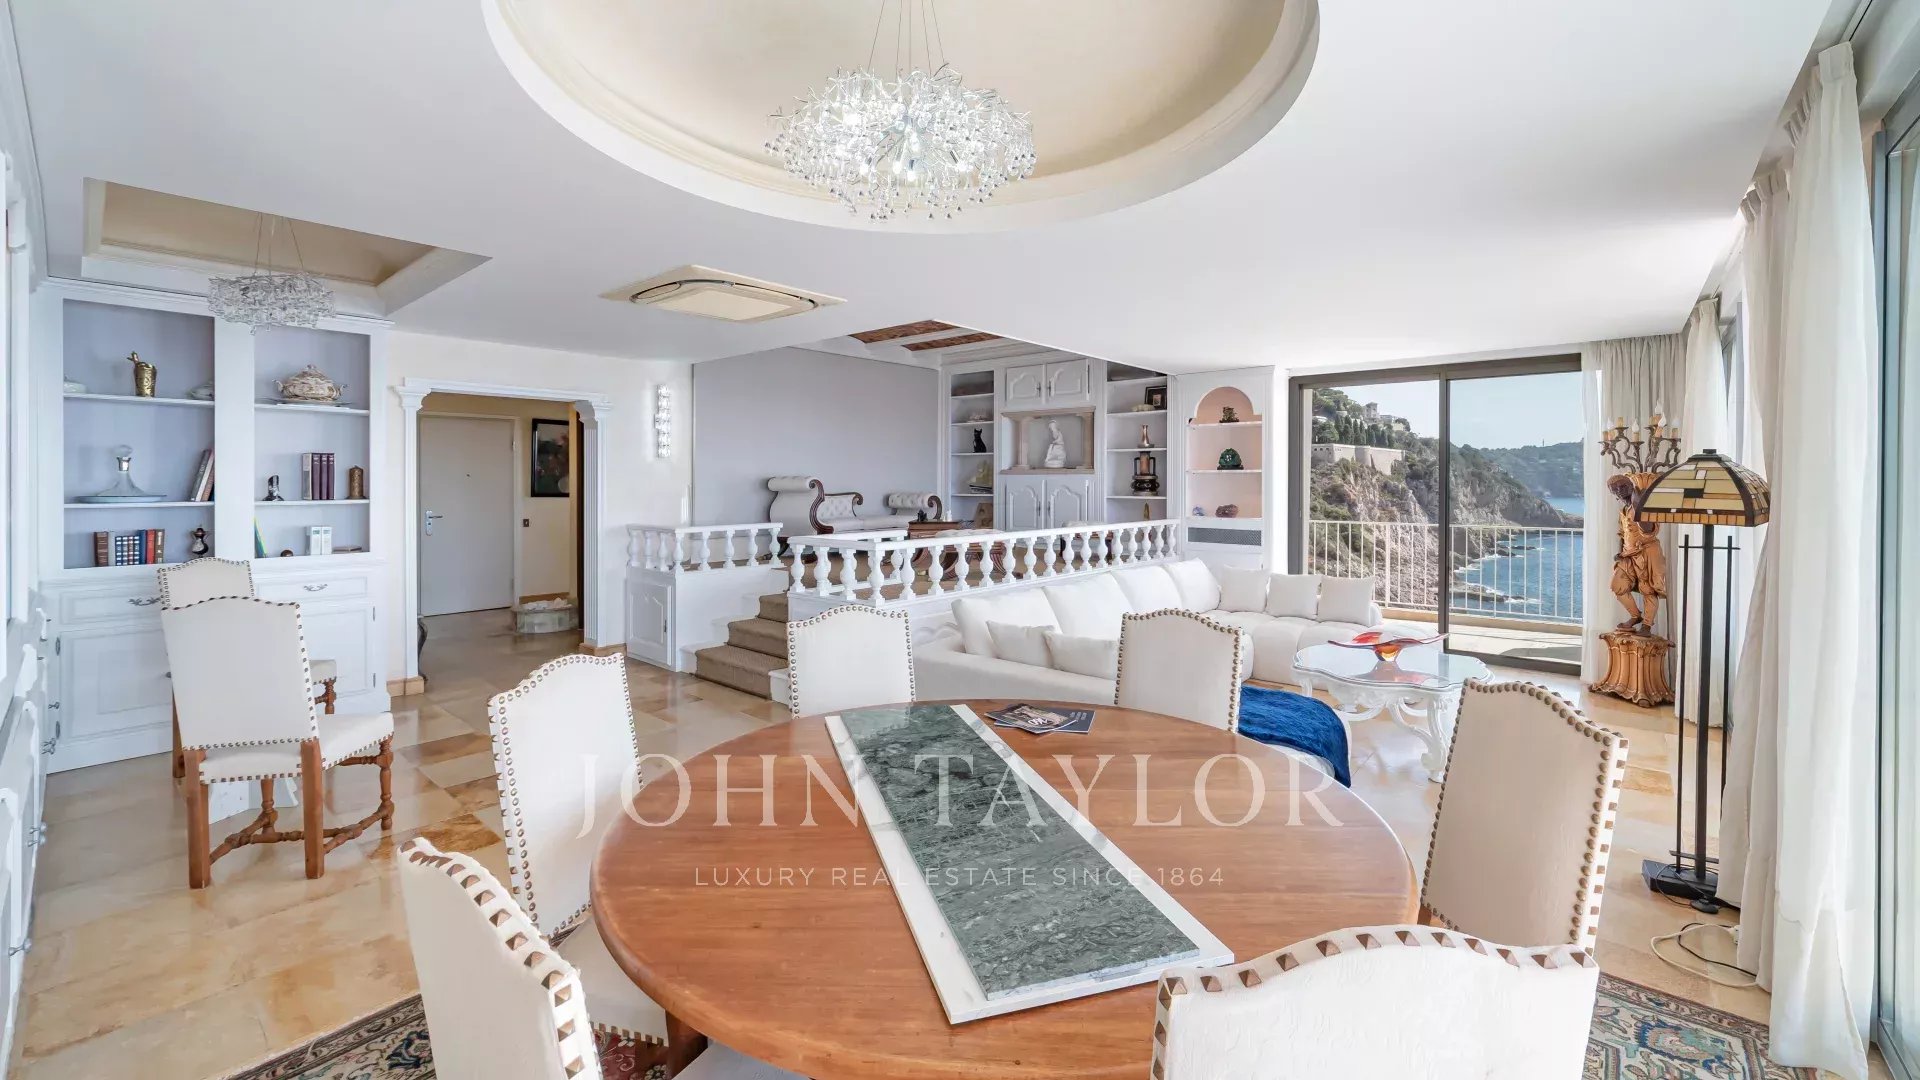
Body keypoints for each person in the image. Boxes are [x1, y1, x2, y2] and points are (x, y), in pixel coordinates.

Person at [1608, 473, 1667, 632]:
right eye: (1615, 489)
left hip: (1647, 552)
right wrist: (1620, 553)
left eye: (1623, 486)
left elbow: (1648, 531)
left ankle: (1647, 625)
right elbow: (1623, 534)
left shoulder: (1642, 506)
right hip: (1628, 555)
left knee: (1648, 589)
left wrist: (1638, 503)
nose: (1620, 490)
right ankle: (1636, 615)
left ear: (1631, 486)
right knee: (1617, 586)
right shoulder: (1623, 510)